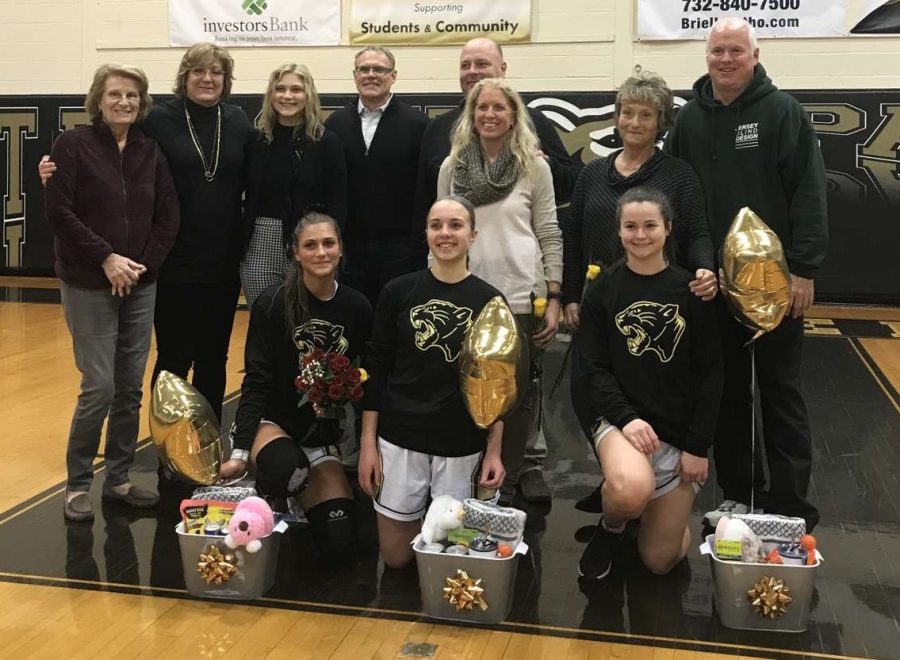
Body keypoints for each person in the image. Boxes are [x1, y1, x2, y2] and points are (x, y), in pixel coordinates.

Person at [664, 18, 828, 530]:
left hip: (775, 286)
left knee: (779, 389)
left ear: (756, 55)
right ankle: (738, 493)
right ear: (706, 56)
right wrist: (690, 265)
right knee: (728, 392)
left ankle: (790, 502)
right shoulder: (690, 120)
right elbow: (678, 196)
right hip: (713, 282)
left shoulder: (783, 112)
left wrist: (803, 269)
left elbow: (809, 190)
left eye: (737, 50)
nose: (726, 59)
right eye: (718, 51)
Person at [41, 43, 253, 424]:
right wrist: (48, 168)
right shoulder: (157, 120)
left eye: (216, 72)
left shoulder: (238, 120)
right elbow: (104, 143)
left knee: (213, 358)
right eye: (198, 72)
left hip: (222, 261)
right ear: (184, 78)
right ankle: (168, 446)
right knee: (173, 358)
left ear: (226, 80)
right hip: (170, 261)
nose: (207, 79)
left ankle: (205, 446)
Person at [417, 39, 579, 504]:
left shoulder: (535, 167)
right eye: (482, 108)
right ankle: (464, 468)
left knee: (519, 393)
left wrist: (551, 294)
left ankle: (506, 479)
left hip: (519, 295)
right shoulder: (451, 166)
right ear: (471, 114)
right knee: (463, 383)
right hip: (464, 293)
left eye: (498, 108)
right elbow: (440, 227)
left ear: (513, 115)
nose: (490, 114)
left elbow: (549, 231)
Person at [45, 63, 180, 522]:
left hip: (139, 283)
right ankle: (78, 482)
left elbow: (168, 217)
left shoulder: (151, 151)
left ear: (142, 104)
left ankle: (119, 477)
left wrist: (140, 267)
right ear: (98, 100)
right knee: (98, 386)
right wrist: (107, 258)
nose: (124, 102)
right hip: (88, 281)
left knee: (128, 388)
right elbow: (60, 213)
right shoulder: (72, 145)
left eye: (133, 96)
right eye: (115, 94)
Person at [571, 187, 722, 580]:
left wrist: (696, 446)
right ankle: (613, 525)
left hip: (675, 430)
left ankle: (657, 515)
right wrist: (627, 419)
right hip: (622, 421)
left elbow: (711, 374)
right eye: (631, 227)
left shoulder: (692, 293)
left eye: (650, 225)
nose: (640, 235)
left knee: (660, 562)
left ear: (668, 229)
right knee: (630, 488)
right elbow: (593, 370)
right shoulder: (603, 290)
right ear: (619, 232)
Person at [358, 196, 506, 568]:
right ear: (425, 233)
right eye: (436, 225)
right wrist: (367, 445)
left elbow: (499, 385)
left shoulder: (490, 300)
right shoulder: (397, 292)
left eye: (455, 225)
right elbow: (376, 369)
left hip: (460, 442)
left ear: (473, 235)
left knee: (452, 559)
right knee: (396, 560)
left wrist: (494, 451)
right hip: (399, 436)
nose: (445, 233)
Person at [218, 213, 372, 562]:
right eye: (310, 245)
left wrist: (370, 447)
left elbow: (369, 379)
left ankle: (298, 494)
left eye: (328, 243)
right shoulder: (272, 303)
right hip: (272, 425)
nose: (321, 252)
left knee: (340, 542)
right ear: (296, 253)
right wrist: (239, 454)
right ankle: (265, 485)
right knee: (286, 466)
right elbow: (255, 380)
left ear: (341, 249)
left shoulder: (357, 307)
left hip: (320, 436)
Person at [562, 71, 717, 329]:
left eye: (646, 115)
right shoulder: (590, 174)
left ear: (661, 122)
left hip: (660, 303)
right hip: (599, 299)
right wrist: (570, 297)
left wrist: (704, 268)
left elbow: (698, 234)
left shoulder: (680, 174)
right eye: (628, 112)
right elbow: (573, 240)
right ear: (617, 117)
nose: (634, 122)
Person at [324, 46, 429, 307]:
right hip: (350, 249)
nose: (371, 75)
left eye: (379, 69)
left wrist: (417, 241)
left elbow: (424, 188)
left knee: (396, 320)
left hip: (402, 249)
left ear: (393, 76)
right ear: (355, 75)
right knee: (355, 319)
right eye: (364, 69)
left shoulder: (418, 124)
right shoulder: (334, 124)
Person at [241, 64, 347, 308]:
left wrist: (330, 246)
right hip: (260, 244)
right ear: (271, 94)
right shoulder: (255, 140)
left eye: (296, 89)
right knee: (265, 318)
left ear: (308, 94)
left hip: (310, 240)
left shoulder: (327, 142)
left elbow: (339, 200)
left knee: (307, 322)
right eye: (280, 89)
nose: (287, 96)